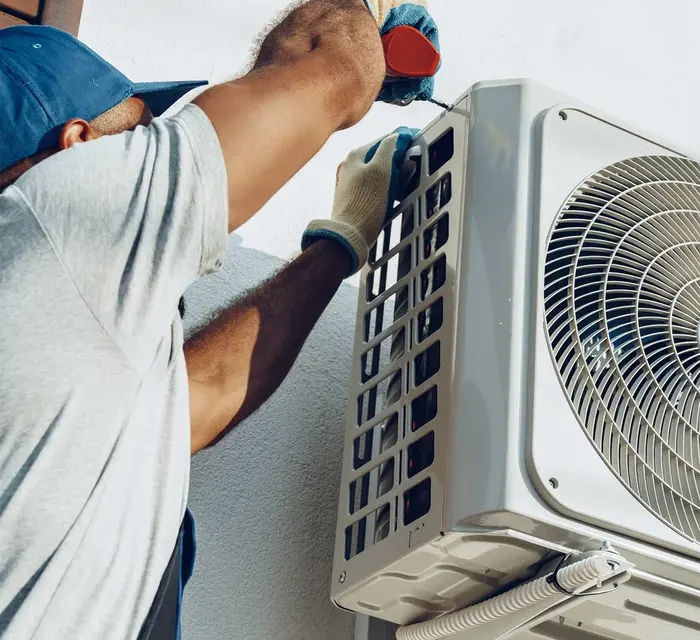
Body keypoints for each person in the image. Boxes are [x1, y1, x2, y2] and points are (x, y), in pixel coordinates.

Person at [0, 0, 439, 638]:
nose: (153, 139)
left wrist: (340, 241)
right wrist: (368, 13)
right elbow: (332, 63)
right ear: (80, 144)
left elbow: (194, 400)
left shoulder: (42, 324)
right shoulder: (51, 216)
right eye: (141, 130)